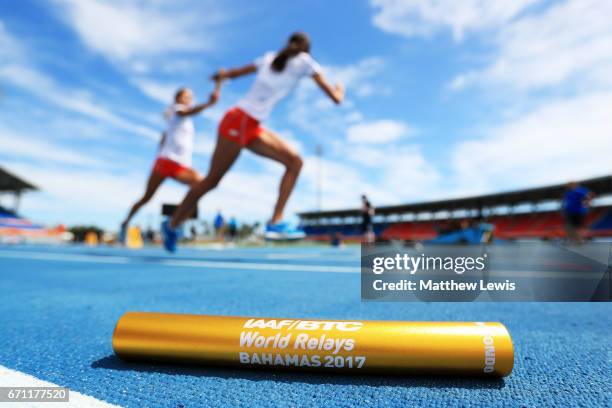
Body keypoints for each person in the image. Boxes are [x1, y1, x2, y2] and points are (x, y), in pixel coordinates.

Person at [162, 32, 344, 251]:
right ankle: (172, 225)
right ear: (306, 49)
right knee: (211, 180)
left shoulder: (269, 57)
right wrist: (340, 88)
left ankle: (275, 222)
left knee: (294, 162)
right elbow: (335, 98)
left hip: (250, 125)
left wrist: (221, 76)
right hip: (238, 122)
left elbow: (235, 73)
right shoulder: (304, 62)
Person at [120, 83, 221, 243]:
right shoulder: (176, 109)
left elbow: (165, 136)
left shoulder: (181, 120)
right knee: (147, 197)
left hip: (181, 165)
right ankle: (125, 223)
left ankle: (172, 225)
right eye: (186, 97)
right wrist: (208, 104)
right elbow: (188, 111)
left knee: (200, 186)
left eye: (191, 98)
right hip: (166, 162)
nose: (189, 100)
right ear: (178, 98)